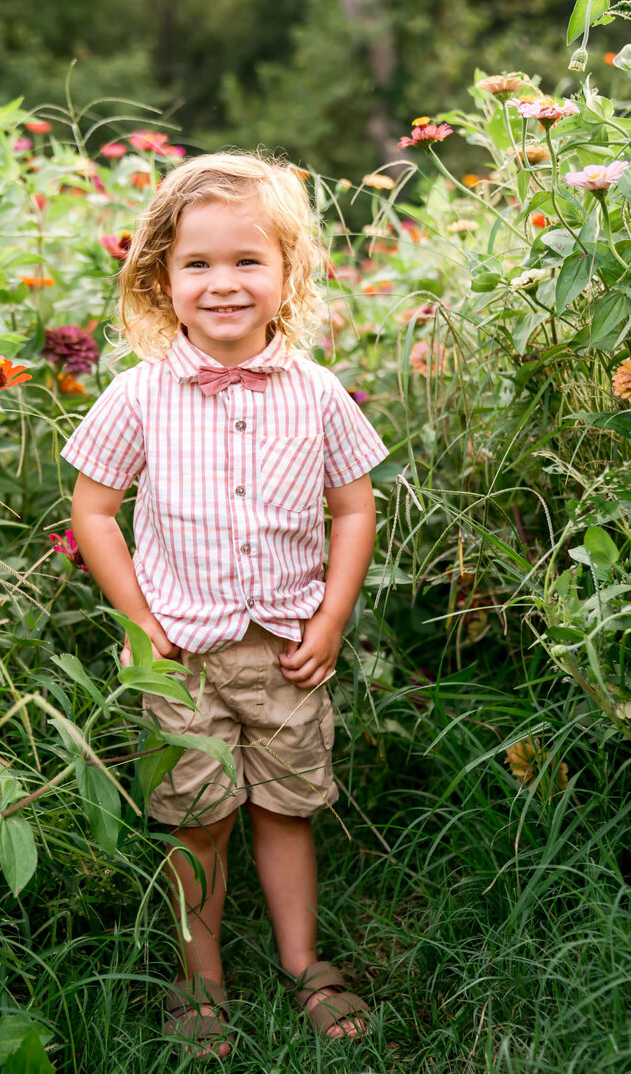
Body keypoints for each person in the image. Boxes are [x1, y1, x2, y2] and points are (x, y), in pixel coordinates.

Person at [62, 152, 388, 1056]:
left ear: (290, 274)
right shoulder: (140, 393)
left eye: (248, 260)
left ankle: (301, 961)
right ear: (162, 277)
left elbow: (354, 505)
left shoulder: (317, 395)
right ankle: (198, 977)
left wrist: (330, 618)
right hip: (178, 651)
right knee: (196, 819)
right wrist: (140, 623)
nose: (224, 283)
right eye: (198, 263)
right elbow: (93, 508)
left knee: (286, 807)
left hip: (286, 647)